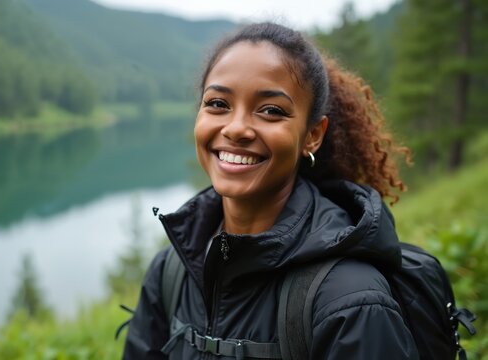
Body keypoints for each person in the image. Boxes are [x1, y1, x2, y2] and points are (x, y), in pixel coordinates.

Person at [123, 22, 418, 359]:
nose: (236, 128)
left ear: (313, 135)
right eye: (218, 103)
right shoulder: (171, 270)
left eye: (271, 110)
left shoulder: (350, 300)